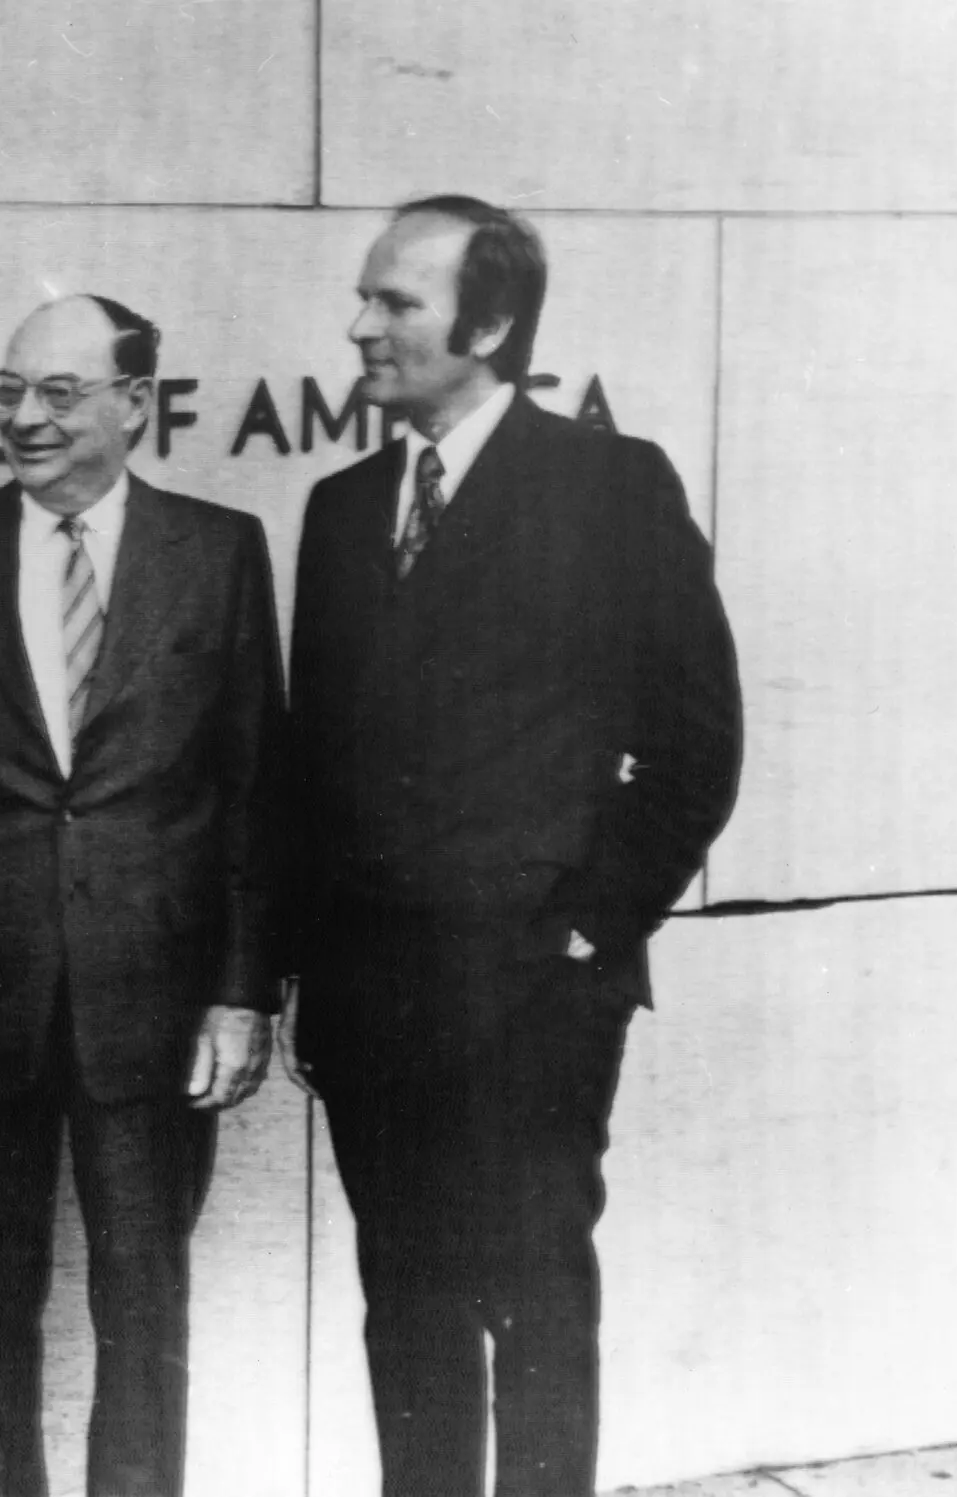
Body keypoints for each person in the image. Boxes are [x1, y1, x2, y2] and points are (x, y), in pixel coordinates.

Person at [282, 196, 742, 1496]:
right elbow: (317, 764)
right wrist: (313, 970)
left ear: (487, 325)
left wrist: (593, 927)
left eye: (395, 303)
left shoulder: (609, 485)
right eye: (365, 296)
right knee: (408, 1309)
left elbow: (699, 742)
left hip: (538, 991)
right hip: (375, 1004)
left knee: (535, 1306)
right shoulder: (340, 506)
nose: (360, 324)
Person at [0, 294, 287, 1497]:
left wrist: (241, 995)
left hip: (153, 1008)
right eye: (6, 390)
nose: (22, 418)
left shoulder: (219, 552)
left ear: (133, 404)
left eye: (57, 393)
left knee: (146, 1323)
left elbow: (252, 790)